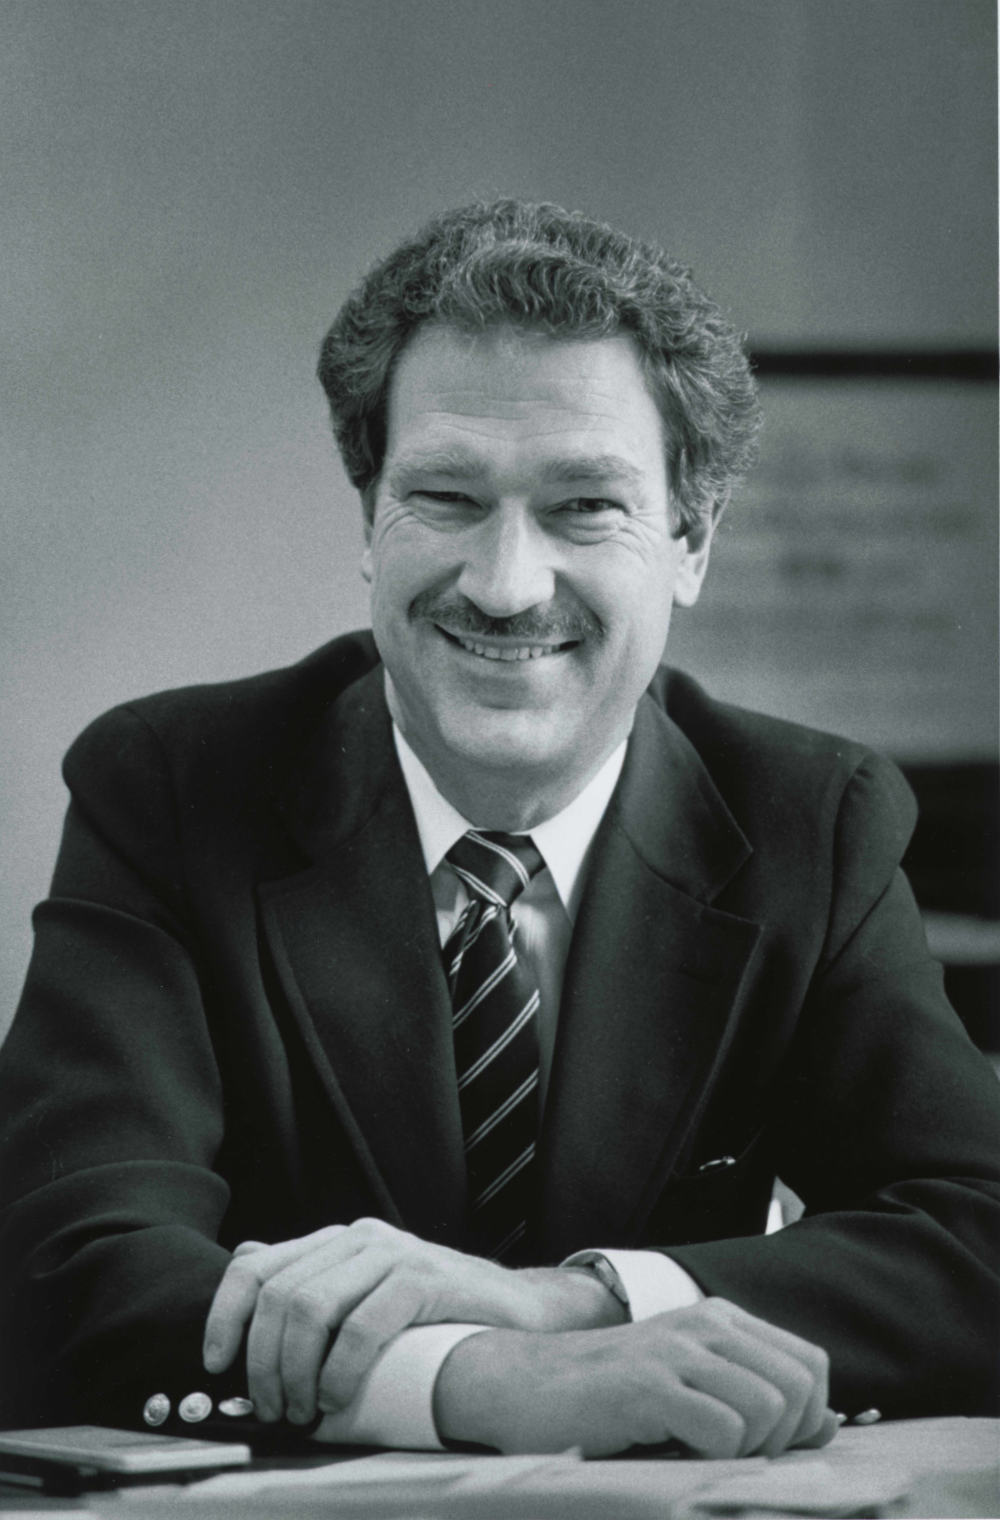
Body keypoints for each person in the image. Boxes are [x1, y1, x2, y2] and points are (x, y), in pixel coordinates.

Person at [1, 200, 997, 1460]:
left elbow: (979, 1235)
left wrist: (574, 1298)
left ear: (690, 541)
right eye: (446, 495)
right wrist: (484, 1380)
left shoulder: (811, 819)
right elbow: (58, 1267)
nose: (505, 583)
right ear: (369, 517)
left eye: (584, 506)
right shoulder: (175, 789)